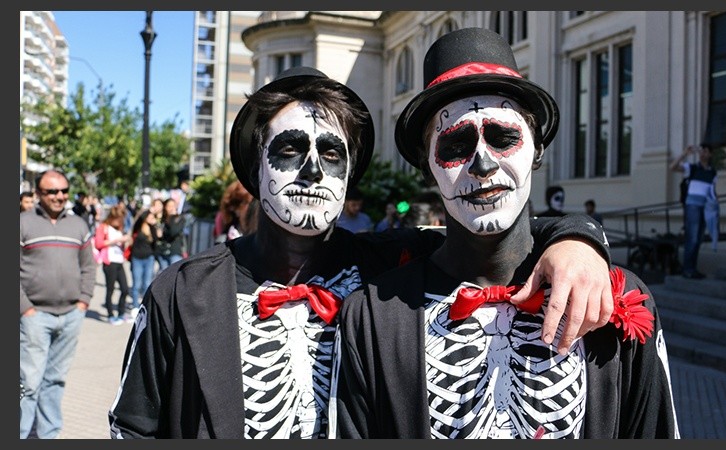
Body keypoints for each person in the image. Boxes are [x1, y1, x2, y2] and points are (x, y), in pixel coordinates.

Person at [107, 66, 613, 439]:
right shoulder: (184, 291)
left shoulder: (388, 266)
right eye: (288, 151)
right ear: (255, 165)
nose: (312, 171)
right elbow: (132, 426)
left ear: (348, 174)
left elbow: (489, 231)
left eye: (331, 155)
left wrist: (579, 238)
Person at [335, 27, 679, 439]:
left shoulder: (612, 301)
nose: (482, 165)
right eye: (455, 146)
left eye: (503, 138)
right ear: (428, 167)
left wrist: (581, 238)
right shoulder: (372, 316)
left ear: (537, 149)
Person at [20, 169, 95, 439]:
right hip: (34, 315)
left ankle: (48, 435)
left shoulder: (78, 225)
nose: (59, 196)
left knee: (55, 380)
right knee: (28, 382)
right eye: (52, 191)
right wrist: (24, 308)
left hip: (71, 316)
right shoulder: (22, 223)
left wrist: (84, 302)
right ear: (38, 194)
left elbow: (88, 266)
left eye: (64, 190)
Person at [670, 142, 717, 279]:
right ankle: (688, 269)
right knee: (692, 237)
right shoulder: (692, 168)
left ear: (710, 154)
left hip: (706, 206)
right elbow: (672, 167)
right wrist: (685, 153)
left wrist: (715, 205)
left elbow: (713, 191)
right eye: (702, 150)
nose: (704, 153)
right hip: (692, 206)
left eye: (707, 151)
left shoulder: (712, 171)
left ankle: (692, 268)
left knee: (699, 238)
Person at [94, 204, 133, 325]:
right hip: (109, 262)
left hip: (119, 261)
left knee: (125, 289)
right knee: (110, 289)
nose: (120, 221)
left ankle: (121, 313)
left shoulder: (120, 228)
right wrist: (115, 241)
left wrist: (126, 241)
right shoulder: (103, 227)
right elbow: (98, 243)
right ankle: (111, 315)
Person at [128, 209, 158, 316]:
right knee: (136, 284)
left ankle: (144, 307)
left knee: (147, 283)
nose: (151, 219)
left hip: (149, 258)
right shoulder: (139, 226)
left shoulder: (152, 228)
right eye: (149, 217)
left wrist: (154, 225)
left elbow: (156, 240)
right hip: (137, 258)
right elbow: (136, 223)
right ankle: (135, 306)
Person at [153, 198, 185, 273]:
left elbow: (173, 232)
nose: (171, 208)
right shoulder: (162, 219)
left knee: (174, 275)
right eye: (169, 206)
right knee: (163, 277)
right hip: (163, 252)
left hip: (175, 252)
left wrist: (171, 217)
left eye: (173, 206)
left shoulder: (180, 218)